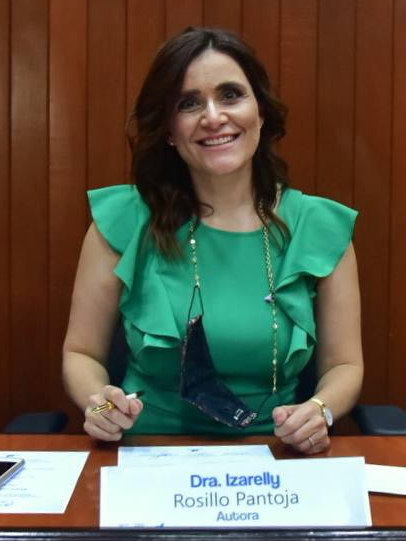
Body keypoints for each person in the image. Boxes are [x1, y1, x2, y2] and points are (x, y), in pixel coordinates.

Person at [60, 27, 363, 454]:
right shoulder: (124, 221)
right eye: (189, 103)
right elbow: (81, 353)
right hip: (149, 455)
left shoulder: (318, 227)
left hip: (276, 456)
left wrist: (320, 409)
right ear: (169, 128)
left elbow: (344, 365)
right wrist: (100, 404)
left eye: (231, 95)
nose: (213, 117)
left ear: (260, 112)